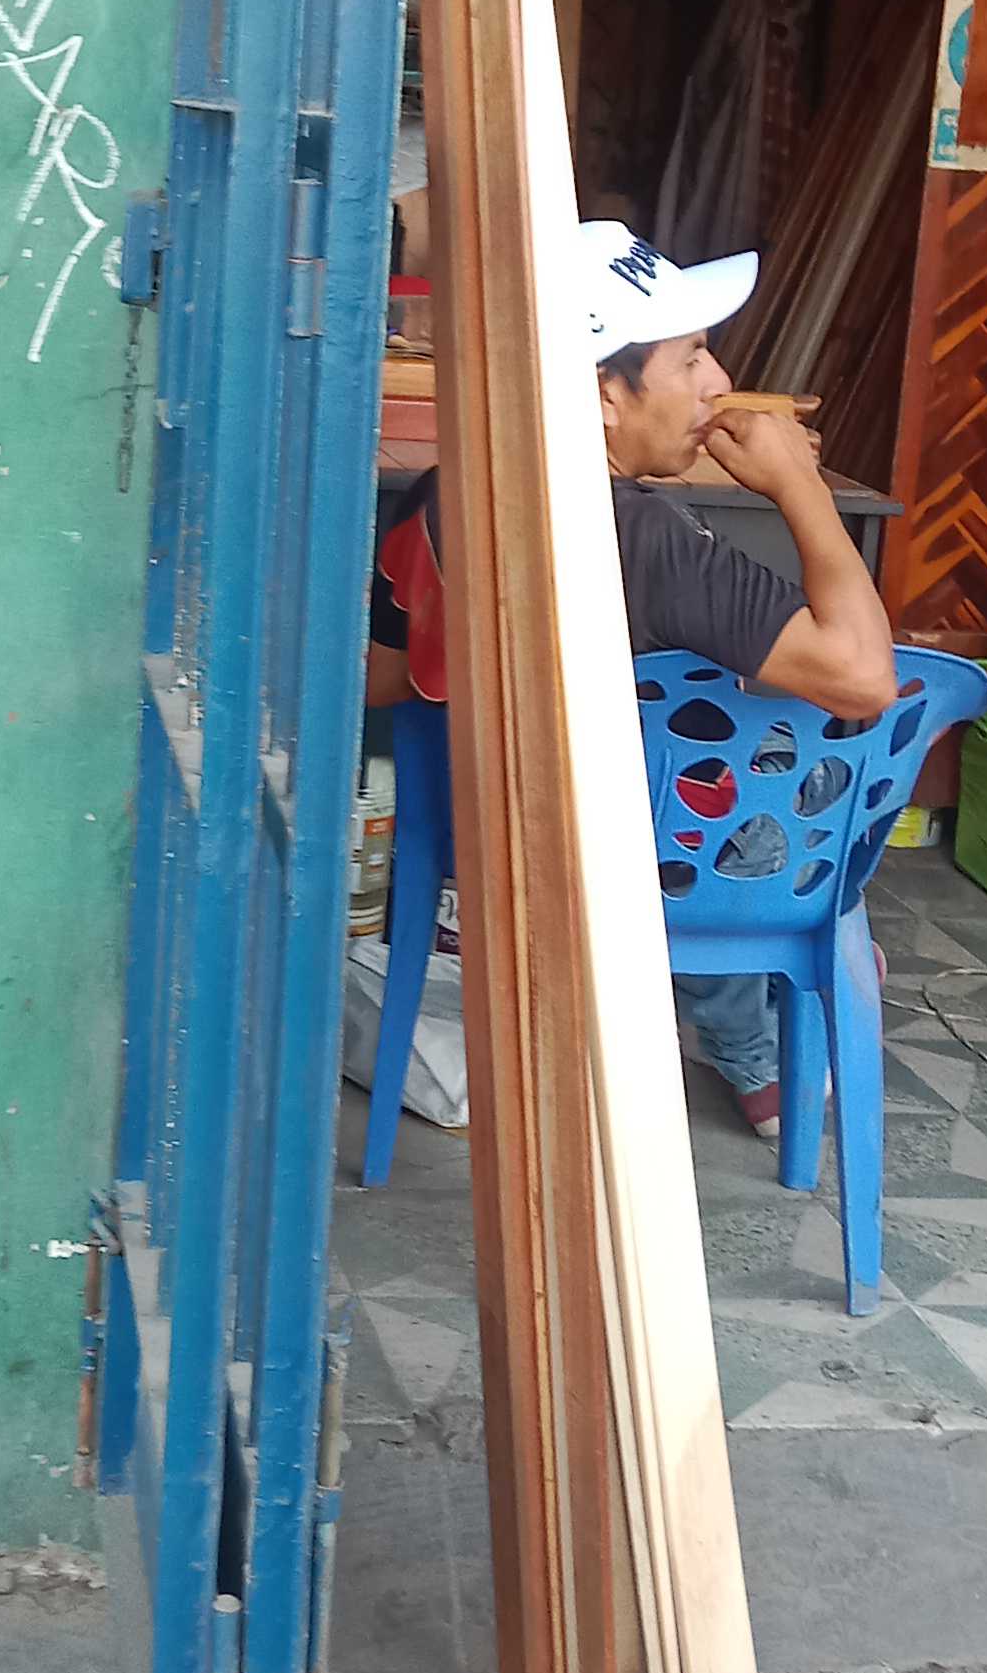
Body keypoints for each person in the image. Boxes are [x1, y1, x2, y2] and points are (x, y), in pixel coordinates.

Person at [368, 223, 898, 1142]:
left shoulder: (444, 494)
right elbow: (864, 676)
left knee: (699, 742)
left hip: (481, 835)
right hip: (639, 863)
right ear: (604, 394)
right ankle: (766, 1040)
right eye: (691, 357)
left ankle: (766, 1005)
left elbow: (382, 683)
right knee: (798, 762)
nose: (718, 383)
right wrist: (799, 486)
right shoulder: (644, 540)